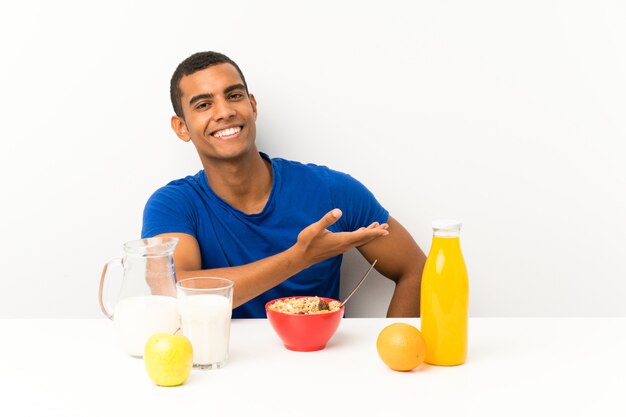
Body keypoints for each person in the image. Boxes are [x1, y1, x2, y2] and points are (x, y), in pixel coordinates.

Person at [141, 51, 427, 318]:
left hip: (319, 365)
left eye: (235, 95)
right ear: (181, 127)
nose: (225, 111)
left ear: (252, 106)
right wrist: (299, 258)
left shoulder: (332, 191)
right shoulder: (172, 205)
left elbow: (416, 269)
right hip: (220, 367)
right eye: (204, 104)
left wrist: (393, 345)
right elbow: (173, 291)